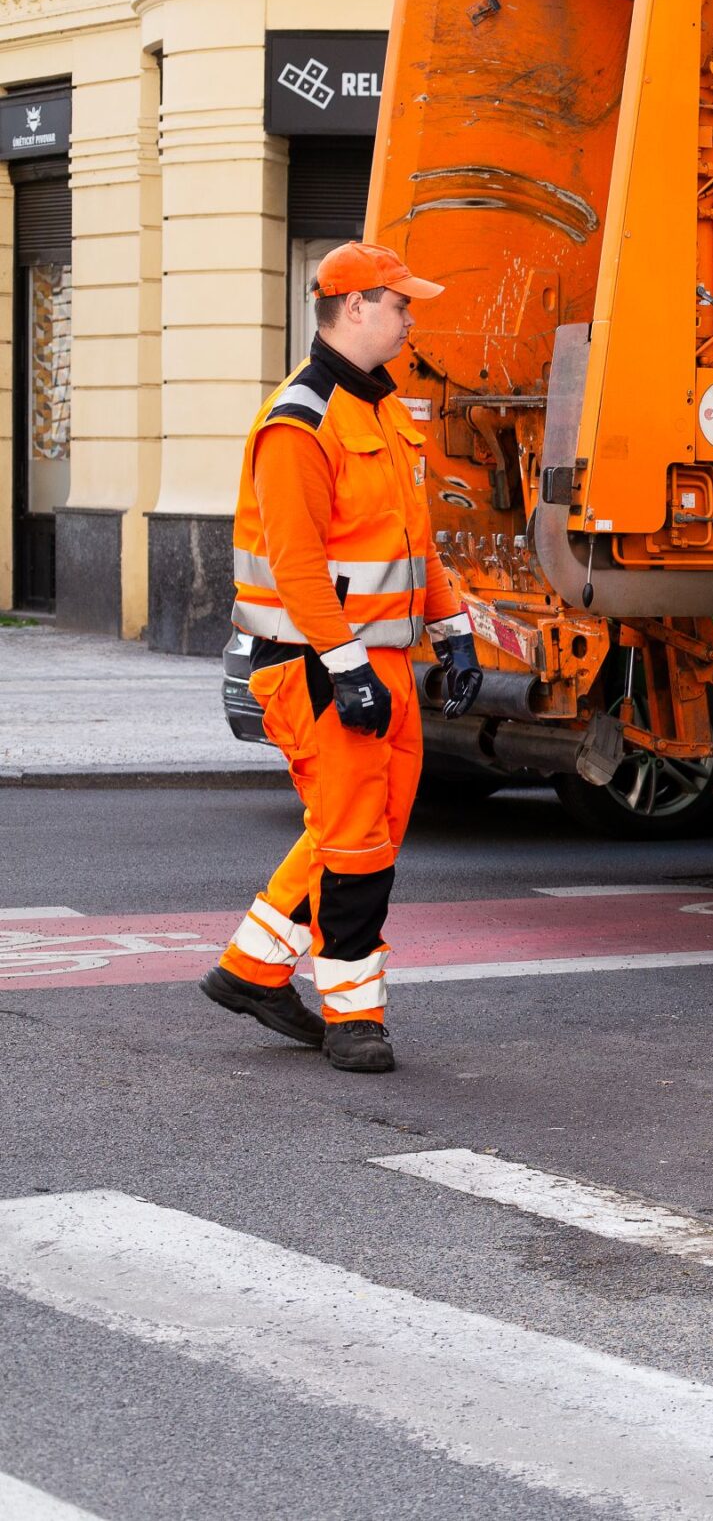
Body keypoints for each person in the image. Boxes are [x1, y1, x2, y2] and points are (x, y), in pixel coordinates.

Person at [204, 241, 483, 1073]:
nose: (410, 317)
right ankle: (354, 1017)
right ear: (354, 306)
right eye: (400, 303)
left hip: (374, 658)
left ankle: (252, 969)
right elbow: (295, 565)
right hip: (318, 662)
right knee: (356, 840)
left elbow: (413, 542)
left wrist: (453, 629)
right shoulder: (301, 419)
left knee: (366, 828)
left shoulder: (381, 410)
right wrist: (348, 665)